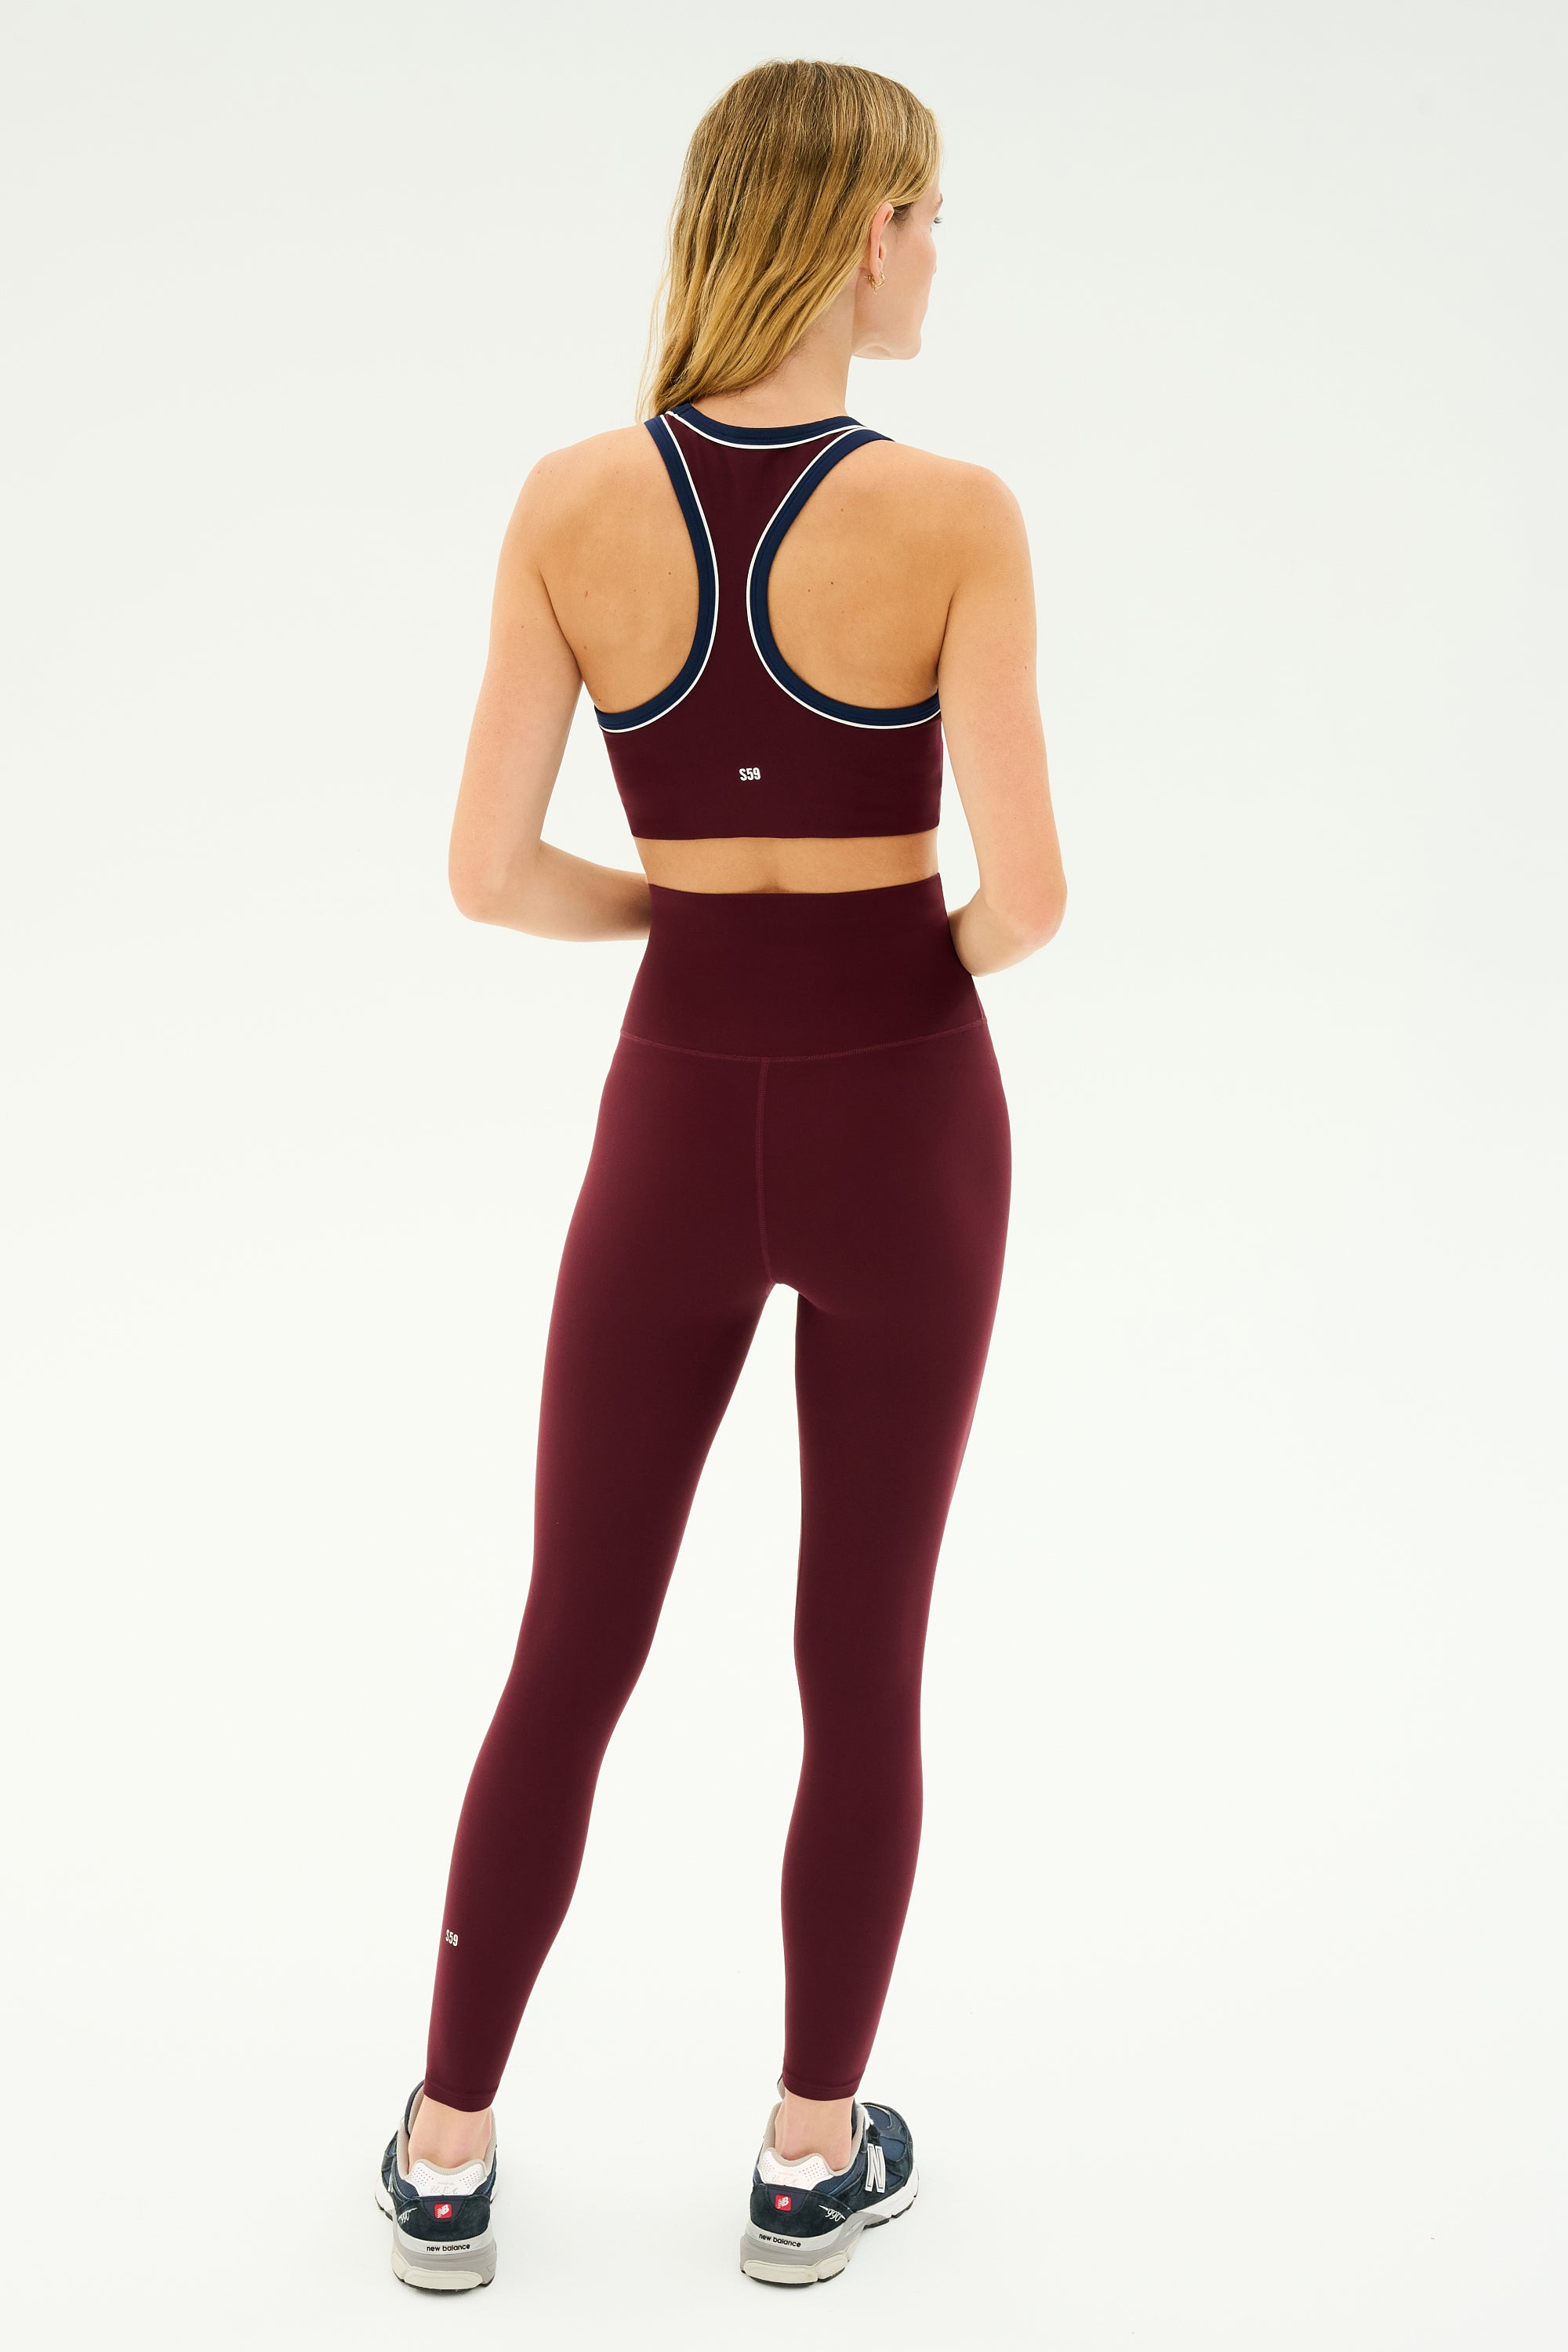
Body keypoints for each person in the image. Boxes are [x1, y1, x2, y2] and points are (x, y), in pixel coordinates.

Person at [374, 56, 1065, 2293]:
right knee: (861, 1651)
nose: (939, 252)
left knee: (571, 1638)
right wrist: (877, 976)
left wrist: (699, 929)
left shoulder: (571, 502)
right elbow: (1032, 897)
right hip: (905, 1119)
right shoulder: (958, 515)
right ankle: (805, 2156)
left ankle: (449, 2150)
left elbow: (488, 875)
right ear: (859, 234)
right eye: (927, 214)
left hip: (673, 1115)